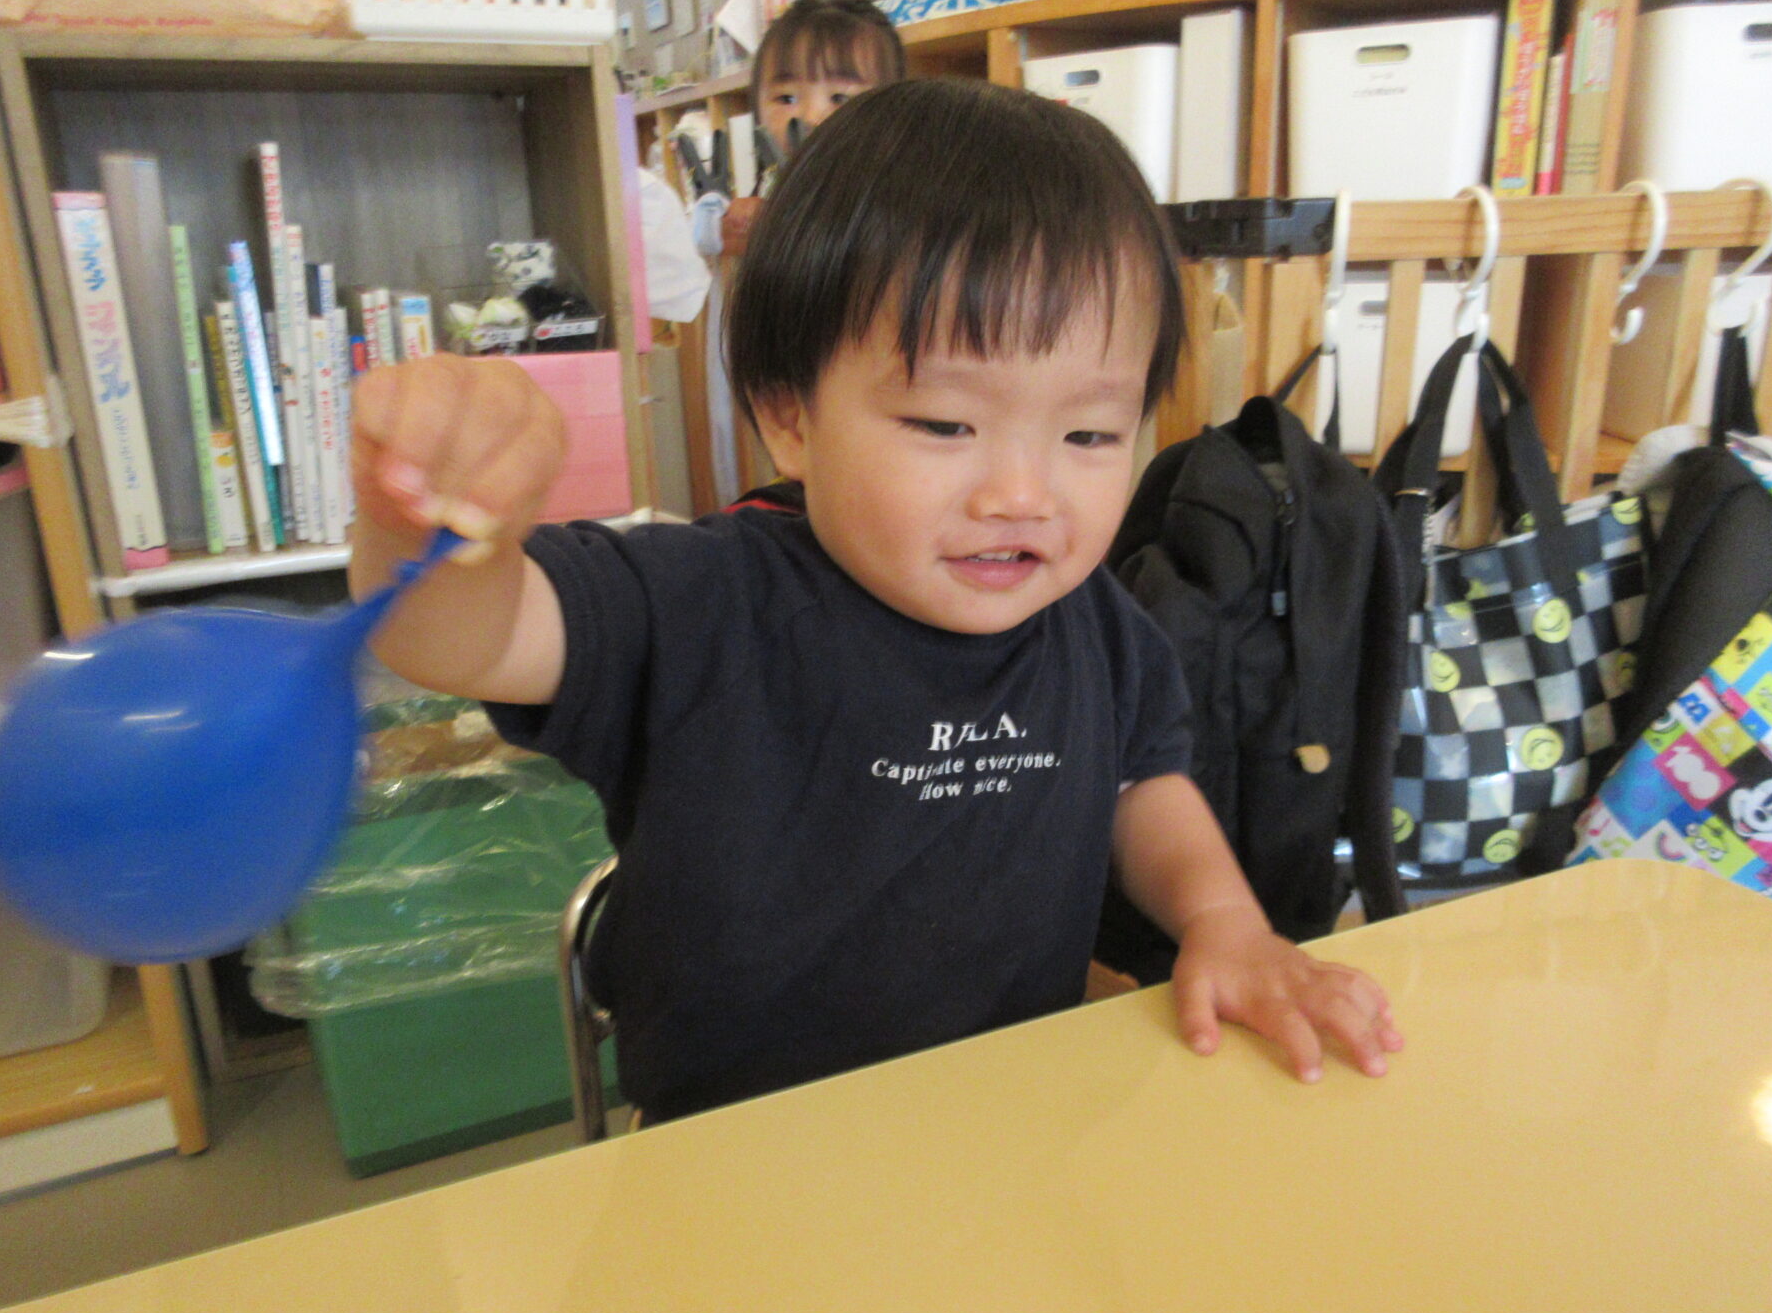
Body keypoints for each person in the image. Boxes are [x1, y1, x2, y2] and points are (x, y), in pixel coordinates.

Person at [349, 78, 1402, 1124]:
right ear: (789, 416)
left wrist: (1224, 919)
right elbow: (459, 640)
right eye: (945, 424)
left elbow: (1142, 781)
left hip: (1006, 1123)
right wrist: (429, 522)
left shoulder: (1096, 624)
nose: (1023, 495)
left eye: (1090, 434)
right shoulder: (699, 603)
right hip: (736, 1161)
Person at [718, 0, 906, 256]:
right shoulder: (771, 191)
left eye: (839, 98)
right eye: (787, 99)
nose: (810, 117)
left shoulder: (894, 202)